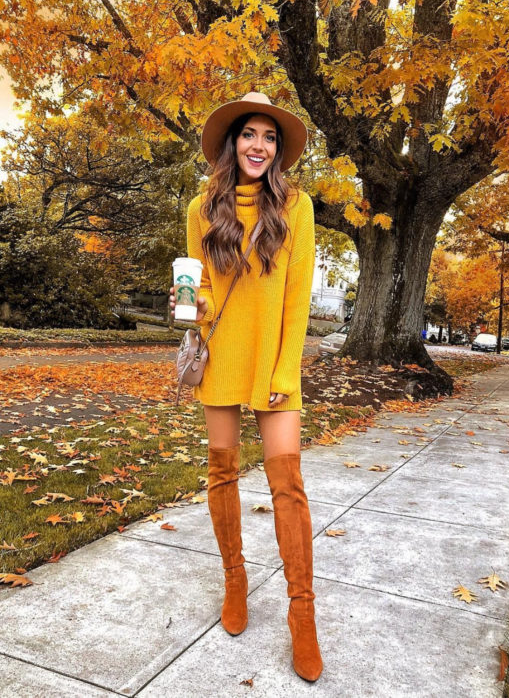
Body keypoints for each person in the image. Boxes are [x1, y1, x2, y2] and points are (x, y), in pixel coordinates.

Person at [169, 91, 322, 682]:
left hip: (273, 362)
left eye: (270, 137)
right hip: (221, 356)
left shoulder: (298, 207)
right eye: (249, 134)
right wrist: (190, 303)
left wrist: (286, 370)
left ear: (277, 150)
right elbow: (200, 287)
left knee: (289, 485)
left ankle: (301, 612)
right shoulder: (200, 208)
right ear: (233, 143)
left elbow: (298, 298)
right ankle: (234, 578)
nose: (259, 145)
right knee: (222, 471)